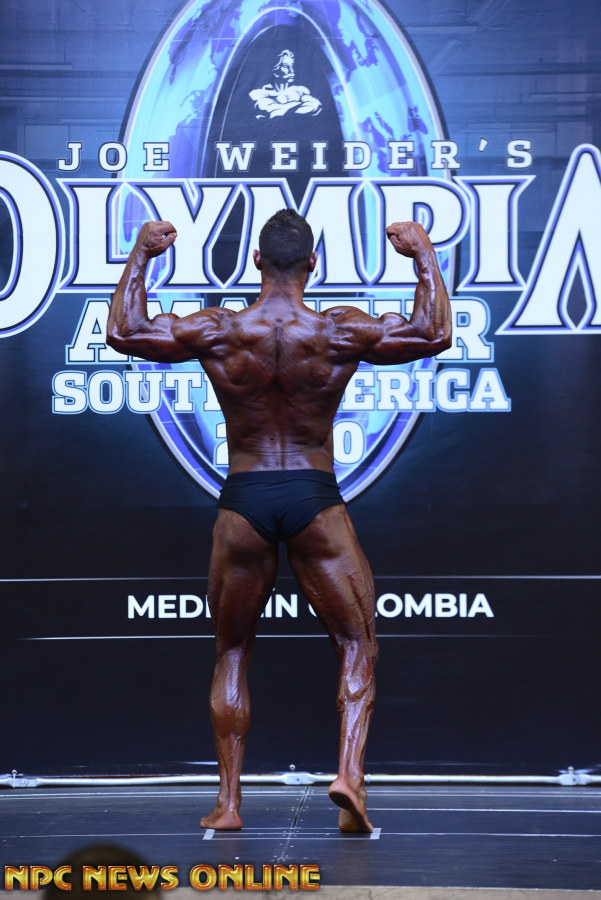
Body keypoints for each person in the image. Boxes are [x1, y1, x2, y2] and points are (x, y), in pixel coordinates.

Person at [107, 210, 452, 833]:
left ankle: (229, 805)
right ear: (313, 265)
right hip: (314, 497)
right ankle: (350, 777)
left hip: (245, 499)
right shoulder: (337, 330)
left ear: (257, 262)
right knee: (356, 644)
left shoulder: (220, 329)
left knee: (233, 650)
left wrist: (141, 255)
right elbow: (432, 334)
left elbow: (126, 332)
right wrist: (422, 253)